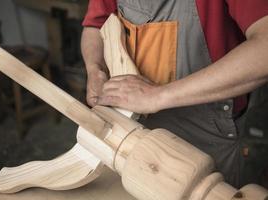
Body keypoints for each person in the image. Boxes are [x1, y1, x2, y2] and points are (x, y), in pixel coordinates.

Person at [81, 0, 268, 187]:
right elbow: (97, 25)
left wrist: (158, 96)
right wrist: (95, 68)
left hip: (208, 133)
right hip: (131, 127)